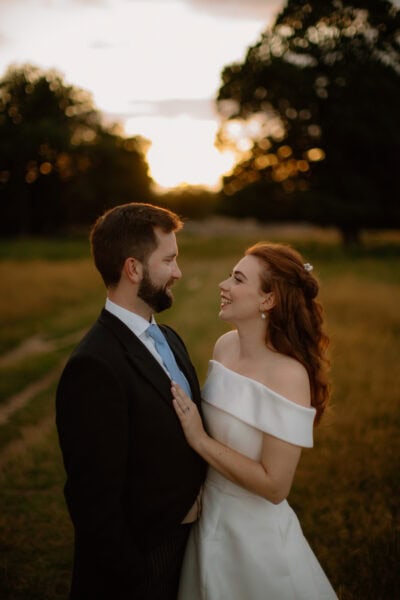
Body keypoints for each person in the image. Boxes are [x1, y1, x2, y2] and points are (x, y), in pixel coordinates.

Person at [56, 202, 206, 600]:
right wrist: (137, 575)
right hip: (142, 564)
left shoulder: (169, 338)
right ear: (133, 269)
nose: (178, 271)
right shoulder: (94, 366)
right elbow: (92, 501)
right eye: (169, 259)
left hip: (188, 548)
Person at [171, 242, 338, 599]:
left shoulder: (288, 375)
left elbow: (276, 486)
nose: (223, 285)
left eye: (237, 279)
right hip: (206, 519)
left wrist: (200, 441)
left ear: (268, 300)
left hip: (253, 537)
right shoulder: (224, 347)